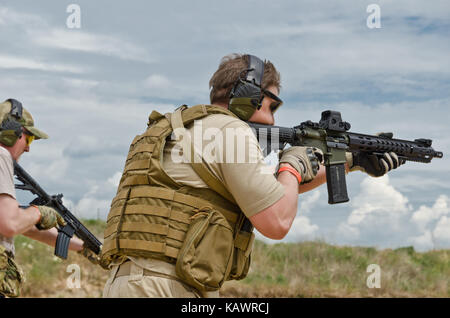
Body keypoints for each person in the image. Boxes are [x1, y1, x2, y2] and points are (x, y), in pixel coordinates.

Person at [101, 54, 404, 298]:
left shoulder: (179, 128)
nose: (273, 119)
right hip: (167, 286)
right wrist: (292, 165)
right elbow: (276, 221)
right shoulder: (231, 131)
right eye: (271, 106)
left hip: (128, 283)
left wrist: (351, 162)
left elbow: (263, 193)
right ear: (248, 96)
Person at [0, 98, 87, 298]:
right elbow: (10, 224)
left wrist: (82, 247)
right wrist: (38, 212)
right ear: (11, 133)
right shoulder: (1, 155)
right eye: (28, 139)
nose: (29, 148)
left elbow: (22, 226)